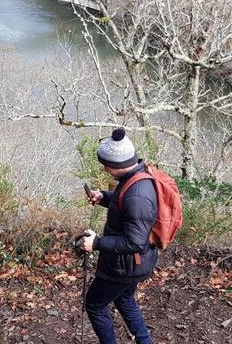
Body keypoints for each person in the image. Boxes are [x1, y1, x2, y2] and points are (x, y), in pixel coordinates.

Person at [80, 128, 157, 344]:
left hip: (124, 266)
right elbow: (125, 203)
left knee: (95, 304)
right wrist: (104, 197)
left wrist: (96, 243)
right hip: (134, 264)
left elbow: (134, 241)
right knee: (124, 298)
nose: (104, 169)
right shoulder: (135, 175)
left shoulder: (138, 196)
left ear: (116, 164)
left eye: (105, 164)